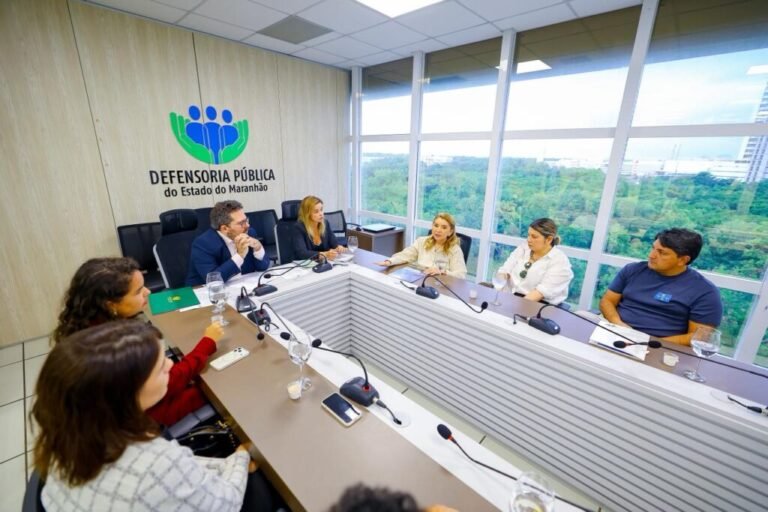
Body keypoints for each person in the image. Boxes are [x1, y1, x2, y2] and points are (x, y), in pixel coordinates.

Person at [33, 321, 271, 511]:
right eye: (160, 366)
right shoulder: (154, 462)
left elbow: (180, 470)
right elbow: (226, 502)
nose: (170, 365)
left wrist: (229, 463)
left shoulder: (71, 434)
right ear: (127, 393)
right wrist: (239, 459)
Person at [54, 257, 222, 426]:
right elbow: (168, 383)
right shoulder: (116, 346)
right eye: (138, 291)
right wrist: (207, 344)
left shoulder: (87, 327)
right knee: (219, 389)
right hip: (147, 420)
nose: (148, 292)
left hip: (128, 407)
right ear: (110, 304)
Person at [599, 228, 723, 345]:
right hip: (617, 331)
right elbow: (607, 300)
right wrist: (618, 324)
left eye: (662, 253)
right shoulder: (632, 270)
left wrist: (649, 343)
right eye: (653, 248)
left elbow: (699, 336)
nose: (651, 255)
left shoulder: (705, 292)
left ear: (683, 260)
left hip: (662, 346)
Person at [186, 200, 270, 286]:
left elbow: (263, 267)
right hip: (204, 293)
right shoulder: (203, 244)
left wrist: (258, 249)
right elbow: (213, 281)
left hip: (242, 287)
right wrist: (240, 256)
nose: (247, 225)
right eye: (242, 223)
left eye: (246, 220)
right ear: (225, 228)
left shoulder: (249, 232)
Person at [496, 218, 573, 305]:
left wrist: (512, 306)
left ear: (549, 239)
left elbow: (540, 292)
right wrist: (500, 290)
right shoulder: (523, 249)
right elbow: (504, 271)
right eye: (528, 235)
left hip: (538, 306)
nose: (529, 239)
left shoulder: (560, 262)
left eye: (534, 236)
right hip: (511, 299)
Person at [375, 213, 467, 278]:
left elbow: (461, 275)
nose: (438, 230)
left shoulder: (455, 250)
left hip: (441, 285)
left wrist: (442, 272)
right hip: (421, 280)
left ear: (450, 231)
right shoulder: (422, 241)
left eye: (444, 227)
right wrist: (389, 262)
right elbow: (406, 255)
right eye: (436, 225)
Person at [291, 195, 347, 261]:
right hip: (305, 265)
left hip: (324, 263)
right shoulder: (298, 228)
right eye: (316, 211)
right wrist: (325, 254)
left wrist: (338, 247)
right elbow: (302, 253)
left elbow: (334, 244)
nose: (321, 214)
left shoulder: (325, 223)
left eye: (321, 210)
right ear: (307, 214)